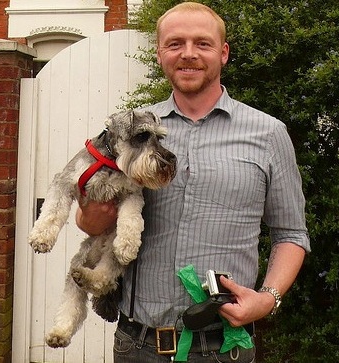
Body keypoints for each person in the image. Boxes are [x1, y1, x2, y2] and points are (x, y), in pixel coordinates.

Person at [76, 2, 310, 362]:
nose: (188, 54)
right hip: (136, 346)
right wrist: (89, 216)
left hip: (223, 349)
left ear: (223, 53)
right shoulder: (133, 132)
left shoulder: (268, 134)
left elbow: (291, 234)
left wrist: (267, 299)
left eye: (202, 43)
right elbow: (89, 219)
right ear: (159, 53)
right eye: (175, 44)